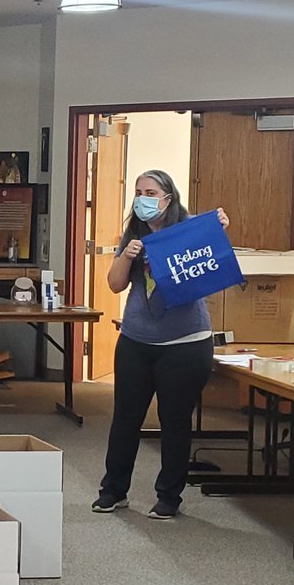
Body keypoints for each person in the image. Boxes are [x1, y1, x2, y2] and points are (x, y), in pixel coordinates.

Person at [92, 170, 229, 519]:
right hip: (136, 341)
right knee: (125, 418)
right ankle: (113, 491)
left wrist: (218, 228)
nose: (143, 198)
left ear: (168, 197)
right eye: (139, 192)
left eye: (150, 192)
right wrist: (126, 256)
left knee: (175, 420)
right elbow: (114, 284)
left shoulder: (187, 229)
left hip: (186, 344)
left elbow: (211, 258)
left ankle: (169, 496)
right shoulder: (134, 234)